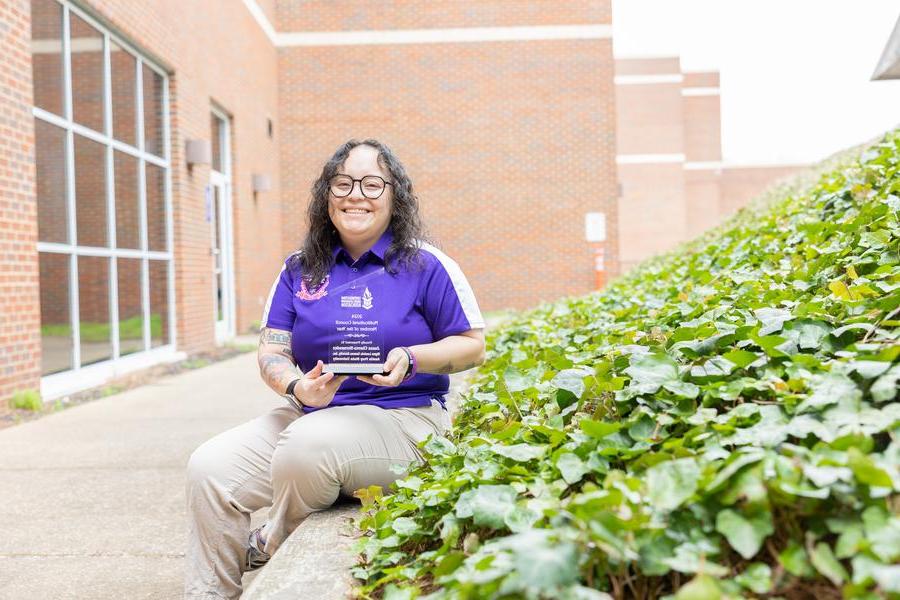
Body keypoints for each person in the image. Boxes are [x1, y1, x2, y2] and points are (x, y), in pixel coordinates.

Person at [184, 139, 486, 599]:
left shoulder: (427, 264)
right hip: (311, 414)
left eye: (371, 183)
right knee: (209, 469)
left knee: (306, 448)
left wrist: (412, 357)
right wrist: (297, 386)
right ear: (327, 195)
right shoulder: (298, 269)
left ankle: (270, 541)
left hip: (405, 420)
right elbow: (271, 353)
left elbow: (472, 347)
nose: (355, 195)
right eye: (342, 183)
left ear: (395, 195)